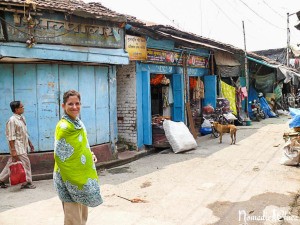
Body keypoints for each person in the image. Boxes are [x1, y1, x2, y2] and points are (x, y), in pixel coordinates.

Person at [53, 90, 102, 225]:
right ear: (63, 106)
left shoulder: (78, 123)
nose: (74, 107)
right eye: (70, 104)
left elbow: (81, 145)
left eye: (77, 103)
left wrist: (89, 155)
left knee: (82, 217)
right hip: (70, 180)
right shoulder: (64, 127)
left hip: (82, 179)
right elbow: (62, 158)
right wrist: (76, 182)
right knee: (73, 219)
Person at [0, 101, 36, 189]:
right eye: (22, 107)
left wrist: (30, 144)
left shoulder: (21, 118)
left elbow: (24, 133)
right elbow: (11, 137)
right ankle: (27, 182)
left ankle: (0, 179)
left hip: (23, 145)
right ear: (16, 109)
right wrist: (13, 150)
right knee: (26, 162)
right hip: (17, 146)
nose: (23, 108)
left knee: (12, 162)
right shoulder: (12, 120)